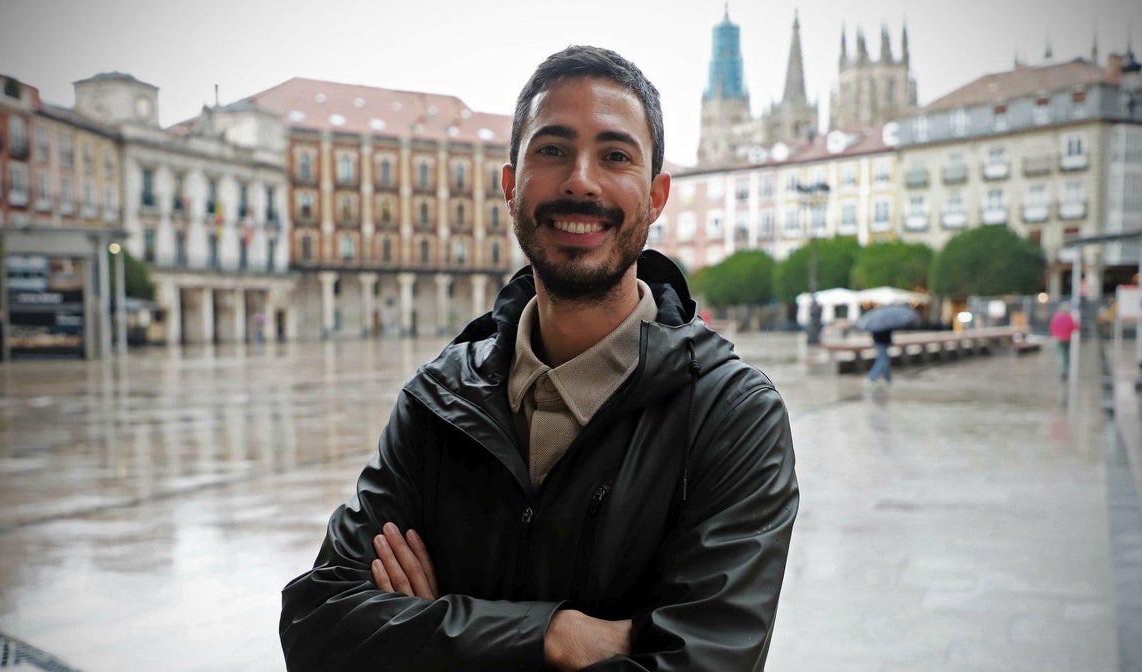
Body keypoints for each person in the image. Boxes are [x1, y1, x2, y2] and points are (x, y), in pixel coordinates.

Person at [279, 45, 799, 671]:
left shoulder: (731, 415)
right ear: (510, 185)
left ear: (656, 196)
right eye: (551, 150)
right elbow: (317, 627)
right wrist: (552, 638)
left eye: (614, 155)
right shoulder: (440, 398)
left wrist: (431, 631)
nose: (581, 179)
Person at [1049, 303, 1078, 380]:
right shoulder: (1069, 317)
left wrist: (1054, 334)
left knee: (1060, 355)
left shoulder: (1056, 317)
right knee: (1066, 355)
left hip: (1058, 339)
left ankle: (1062, 372)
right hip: (1067, 339)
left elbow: (1052, 327)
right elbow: (1074, 327)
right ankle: (1066, 371)